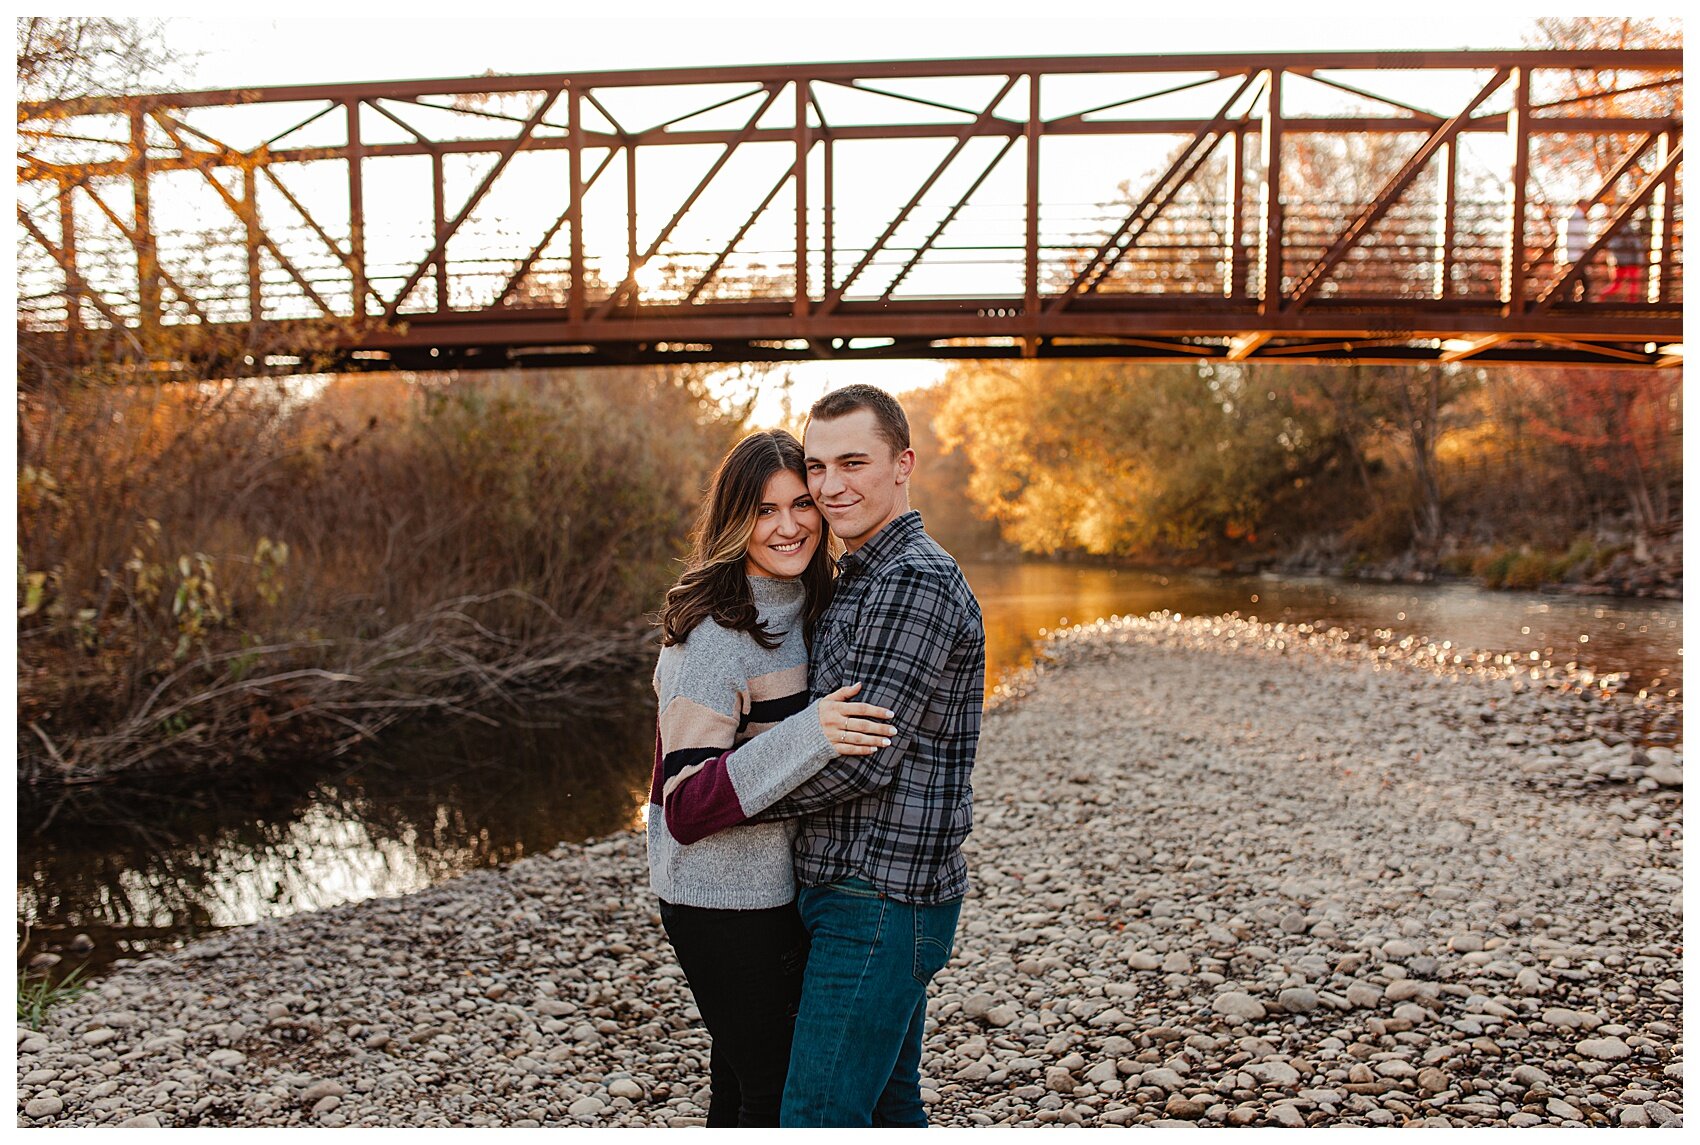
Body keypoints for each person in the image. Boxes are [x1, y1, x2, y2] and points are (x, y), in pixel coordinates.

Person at [646, 428, 897, 1128]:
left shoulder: (803, 605)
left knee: (740, 1085)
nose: (788, 526)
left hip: (780, 884)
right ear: (734, 520)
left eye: (800, 504)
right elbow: (686, 803)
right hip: (717, 897)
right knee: (773, 1091)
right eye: (763, 510)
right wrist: (811, 731)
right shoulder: (712, 636)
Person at [1601, 211, 1646, 302]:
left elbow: (1612, 247)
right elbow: (1637, 245)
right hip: (1631, 260)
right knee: (1633, 284)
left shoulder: (1614, 231)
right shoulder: (1629, 229)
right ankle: (1632, 302)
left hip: (1620, 261)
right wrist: (1640, 259)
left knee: (1618, 284)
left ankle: (1602, 297)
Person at [1559, 199, 1593, 301]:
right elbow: (1581, 235)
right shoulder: (1579, 218)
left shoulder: (1570, 217)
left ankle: (1567, 300)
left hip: (1569, 254)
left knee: (1573, 280)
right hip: (1577, 254)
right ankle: (1580, 303)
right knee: (1584, 282)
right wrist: (1586, 247)